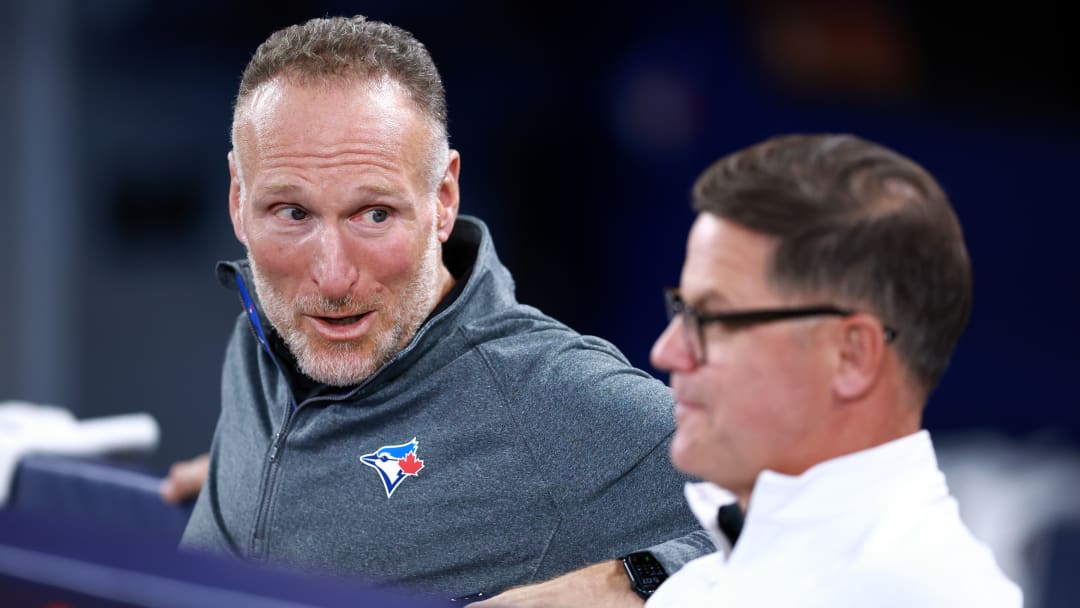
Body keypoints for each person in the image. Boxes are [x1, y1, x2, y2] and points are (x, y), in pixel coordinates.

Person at [178, 14, 713, 603]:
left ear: (444, 199)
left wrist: (636, 581)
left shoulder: (547, 395)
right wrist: (291, 480)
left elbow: (810, 503)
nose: (331, 276)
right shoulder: (259, 336)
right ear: (237, 199)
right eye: (291, 213)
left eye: (374, 214)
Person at [645, 134, 1022, 606]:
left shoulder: (927, 591)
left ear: (852, 356)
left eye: (713, 319)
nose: (667, 351)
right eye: (680, 309)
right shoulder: (695, 589)